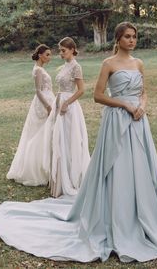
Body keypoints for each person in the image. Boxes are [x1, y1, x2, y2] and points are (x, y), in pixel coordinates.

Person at [0, 23, 157, 263]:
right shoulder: (108, 63)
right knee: (116, 166)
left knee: (140, 165)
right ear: (117, 39)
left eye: (134, 37)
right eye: (127, 37)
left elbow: (143, 91)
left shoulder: (139, 63)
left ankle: (142, 213)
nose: (132, 40)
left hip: (138, 122)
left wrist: (142, 106)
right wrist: (126, 105)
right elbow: (98, 95)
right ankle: (114, 216)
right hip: (117, 120)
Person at [43, 37, 90, 197]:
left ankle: (70, 177)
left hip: (69, 107)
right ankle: (59, 179)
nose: (61, 53)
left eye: (63, 50)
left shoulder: (76, 67)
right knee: (57, 139)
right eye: (60, 50)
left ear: (71, 49)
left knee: (68, 140)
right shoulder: (65, 66)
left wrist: (67, 103)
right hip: (59, 102)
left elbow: (82, 90)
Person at [6, 44, 55, 186]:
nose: (49, 57)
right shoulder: (38, 70)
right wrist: (48, 106)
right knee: (40, 134)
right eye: (47, 54)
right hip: (43, 103)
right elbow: (38, 91)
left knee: (46, 133)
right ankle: (37, 168)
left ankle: (47, 165)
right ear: (40, 55)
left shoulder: (40, 69)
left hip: (47, 99)